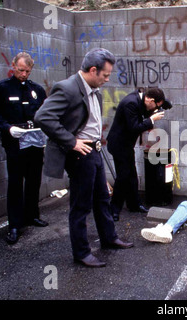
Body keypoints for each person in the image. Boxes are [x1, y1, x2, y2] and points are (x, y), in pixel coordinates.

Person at [34, 48, 133, 268]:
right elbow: (42, 117)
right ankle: (81, 252)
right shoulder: (68, 88)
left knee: (102, 199)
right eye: (105, 75)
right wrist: (71, 141)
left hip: (95, 151)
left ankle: (109, 238)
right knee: (81, 205)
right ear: (93, 70)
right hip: (80, 154)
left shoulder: (94, 89)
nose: (107, 79)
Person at [0, 52, 49, 245]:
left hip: (35, 141)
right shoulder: (2, 88)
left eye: (27, 71)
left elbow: (45, 113)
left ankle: (32, 215)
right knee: (15, 183)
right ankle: (14, 224)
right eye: (20, 70)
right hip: (15, 142)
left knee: (33, 180)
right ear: (13, 66)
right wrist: (7, 128)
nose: (23, 74)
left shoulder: (37, 90)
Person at [106, 87, 168, 221]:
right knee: (123, 177)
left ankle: (134, 204)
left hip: (126, 145)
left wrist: (163, 103)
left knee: (132, 175)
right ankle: (113, 210)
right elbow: (134, 127)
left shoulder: (141, 99)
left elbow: (150, 106)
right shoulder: (131, 103)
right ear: (150, 100)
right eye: (155, 106)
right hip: (119, 145)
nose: (154, 109)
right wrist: (151, 119)